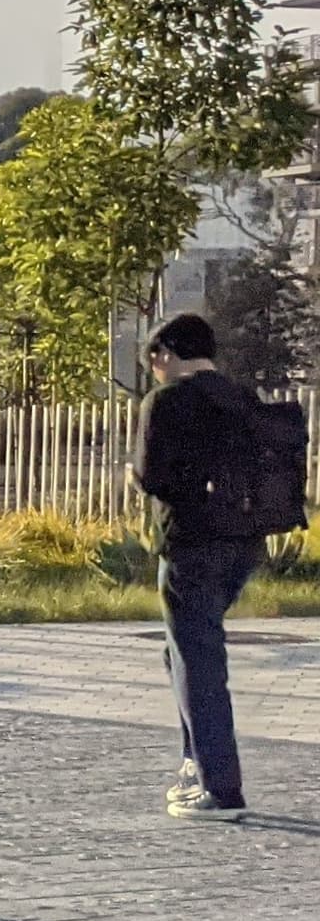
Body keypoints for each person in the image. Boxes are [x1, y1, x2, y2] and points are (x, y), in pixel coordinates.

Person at [137, 311, 268, 822]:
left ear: (163, 354)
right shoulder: (241, 398)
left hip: (191, 544)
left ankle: (220, 788)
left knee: (198, 661)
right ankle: (194, 764)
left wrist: (135, 477)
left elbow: (152, 477)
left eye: (155, 363)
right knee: (181, 654)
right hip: (244, 543)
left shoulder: (166, 401)